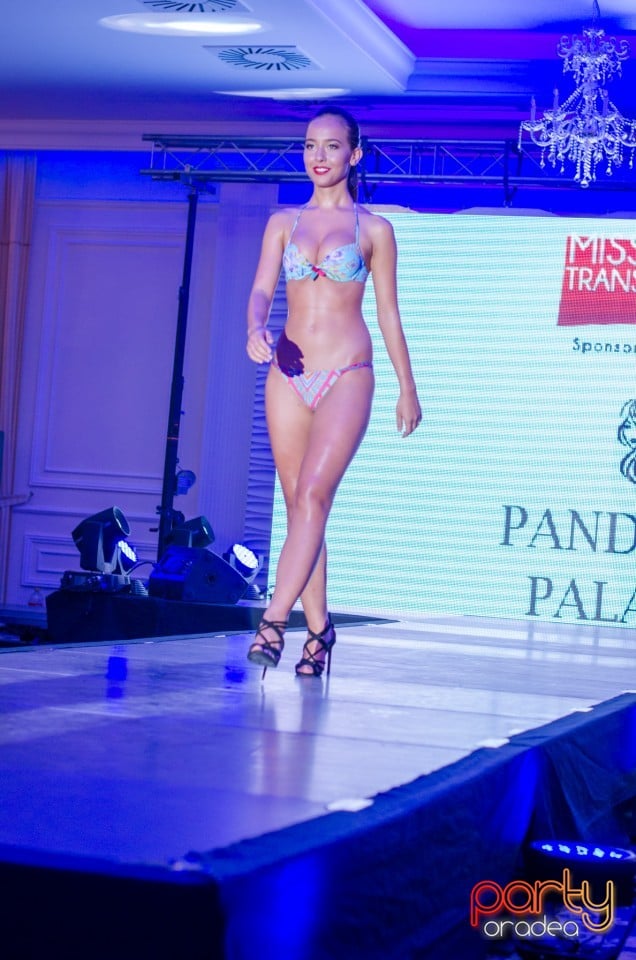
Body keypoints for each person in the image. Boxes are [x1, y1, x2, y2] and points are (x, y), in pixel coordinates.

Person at [245, 105, 421, 678]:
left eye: (331, 146)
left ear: (355, 154)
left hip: (347, 372)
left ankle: (274, 620)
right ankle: (319, 631)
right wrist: (254, 328)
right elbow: (261, 290)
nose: (318, 156)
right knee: (300, 506)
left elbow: (389, 312)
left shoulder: (374, 230)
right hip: (288, 373)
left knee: (314, 497)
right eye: (309, 145)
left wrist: (407, 387)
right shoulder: (282, 222)